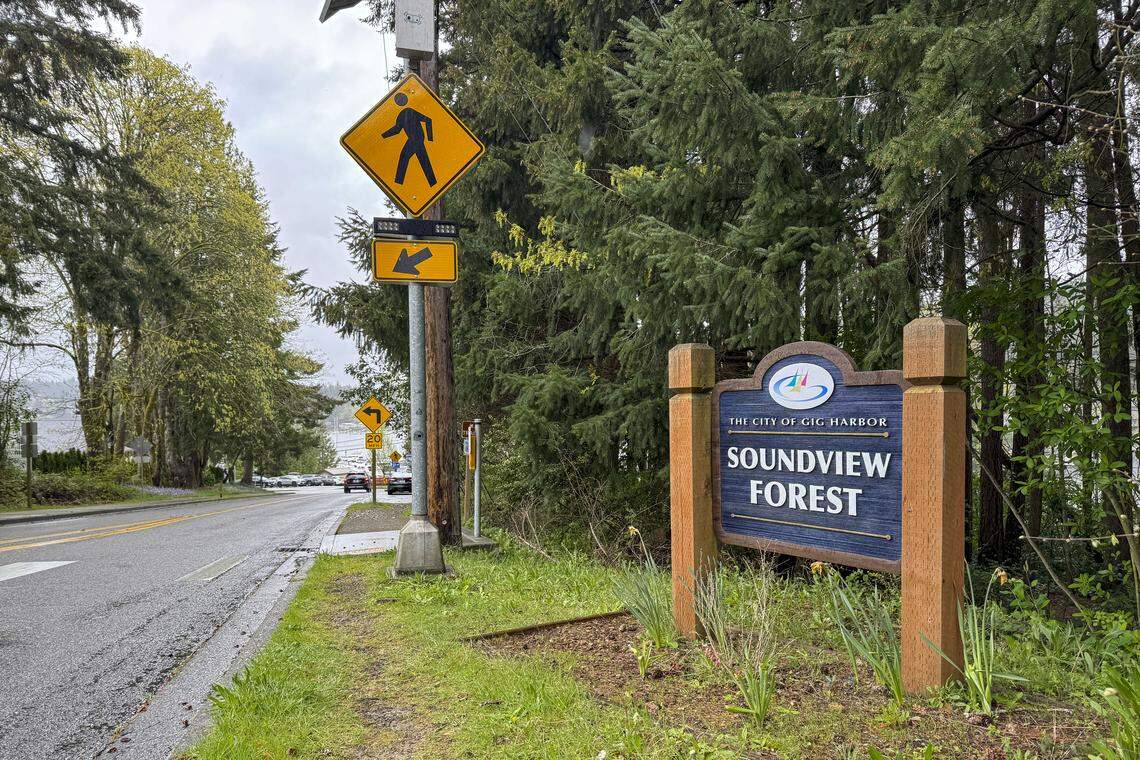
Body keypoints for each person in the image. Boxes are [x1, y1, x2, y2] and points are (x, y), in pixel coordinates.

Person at [381, 92, 436, 186]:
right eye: (397, 100)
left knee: (404, 157)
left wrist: (430, 138)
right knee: (423, 160)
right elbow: (397, 130)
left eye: (400, 100)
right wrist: (383, 135)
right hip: (415, 139)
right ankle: (433, 183)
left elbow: (428, 120)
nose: (398, 102)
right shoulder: (401, 115)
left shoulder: (409, 111)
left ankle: (398, 183)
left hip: (416, 139)